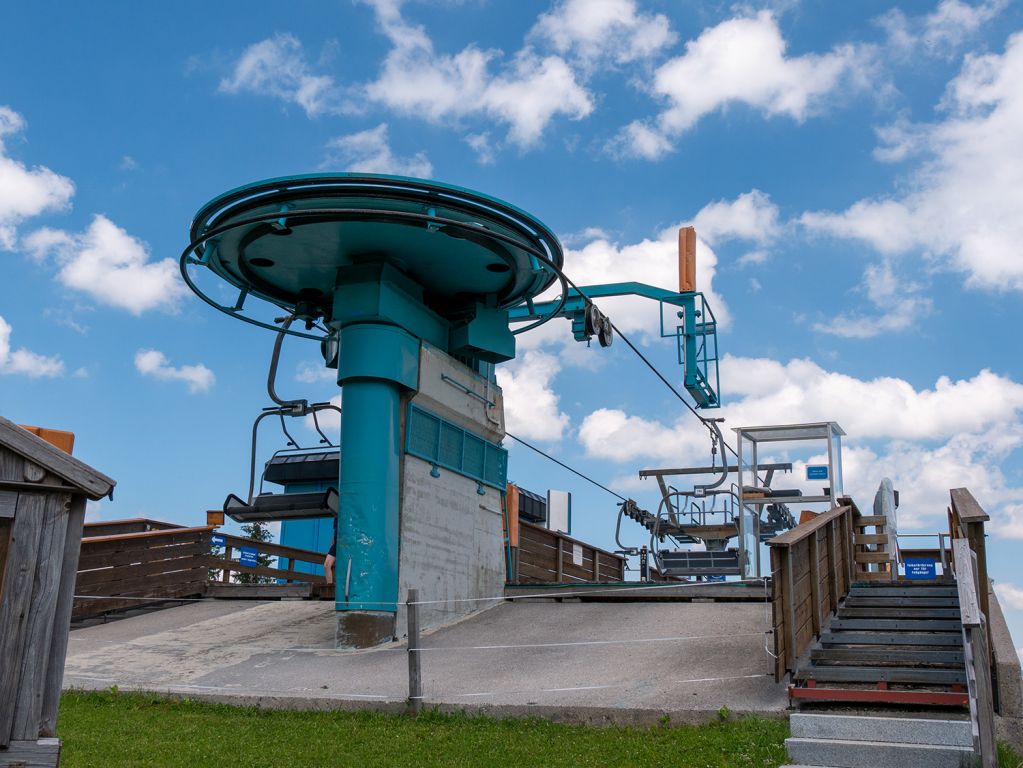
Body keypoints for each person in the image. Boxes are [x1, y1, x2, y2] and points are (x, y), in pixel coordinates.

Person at [324, 512, 339, 584]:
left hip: (344, 544)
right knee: (326, 565)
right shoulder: (336, 516)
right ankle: (329, 587)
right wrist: (330, 547)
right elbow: (335, 532)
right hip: (336, 544)